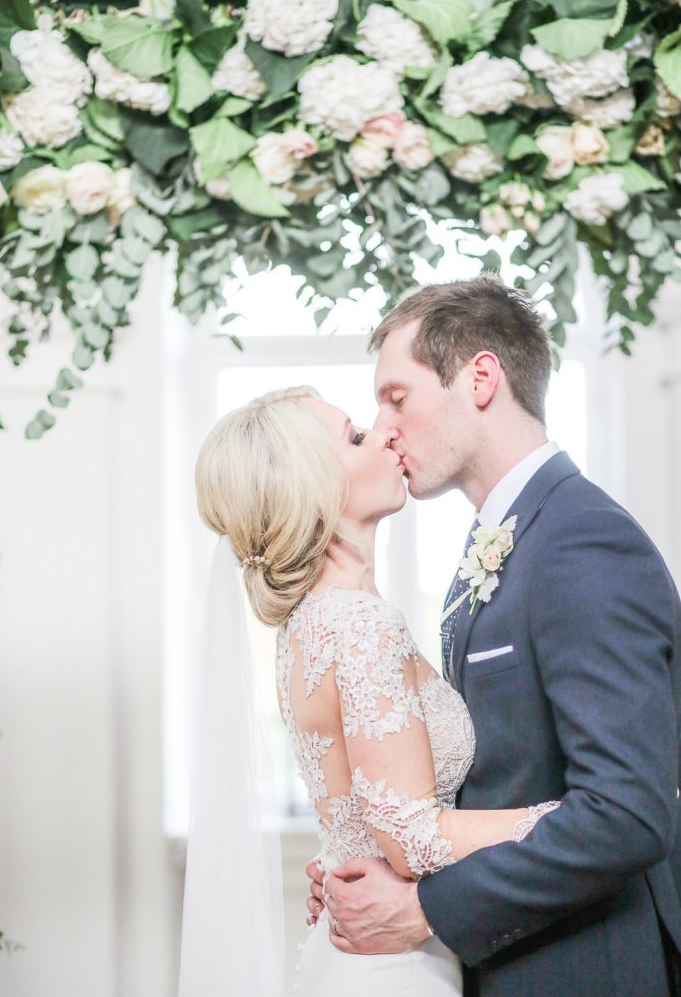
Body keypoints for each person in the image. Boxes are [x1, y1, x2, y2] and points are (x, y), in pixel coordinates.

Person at [306, 275, 681, 997]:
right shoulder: (499, 543)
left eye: (397, 398)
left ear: (479, 378)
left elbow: (626, 813)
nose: (385, 428)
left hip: (588, 966)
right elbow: (491, 771)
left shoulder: (581, 542)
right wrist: (367, 854)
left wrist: (424, 909)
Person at [191, 379, 559, 997]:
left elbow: (363, 815)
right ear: (314, 491)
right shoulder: (359, 625)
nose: (386, 432)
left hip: (362, 951)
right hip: (393, 969)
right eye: (356, 436)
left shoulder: (312, 624)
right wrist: (573, 815)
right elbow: (411, 835)